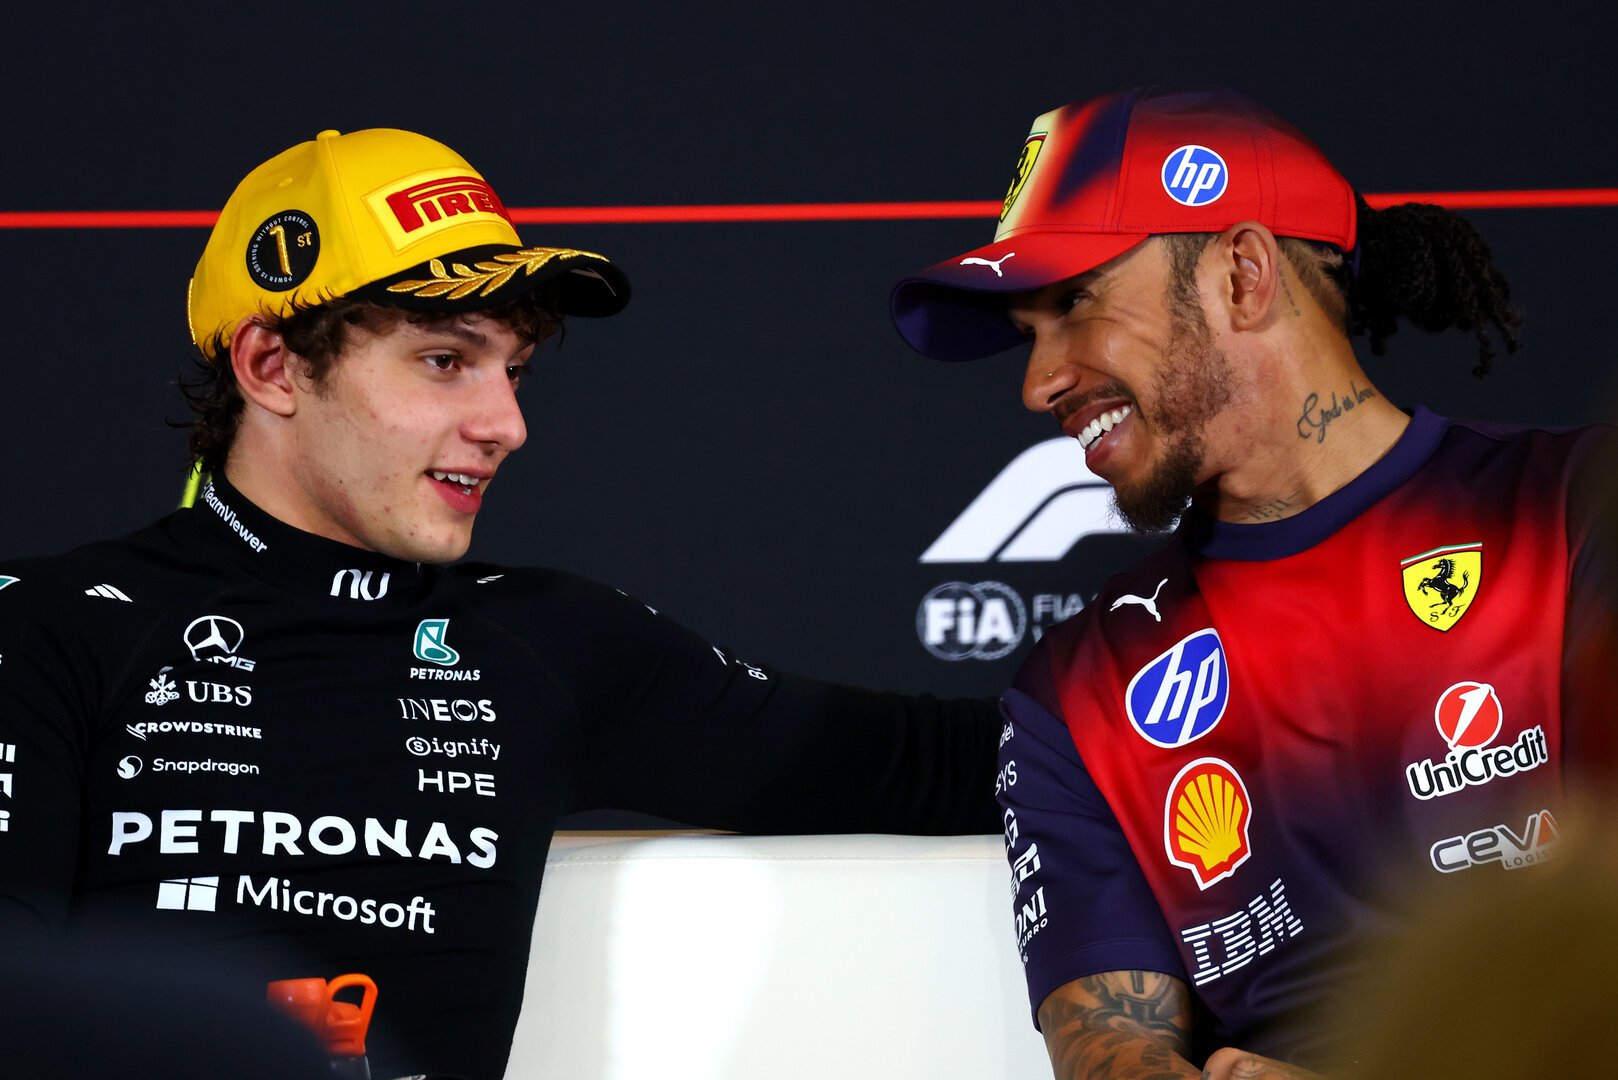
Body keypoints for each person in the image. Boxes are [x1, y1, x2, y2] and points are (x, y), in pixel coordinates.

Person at [0, 127, 1001, 1080]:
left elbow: (944, 765)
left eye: (514, 372)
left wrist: (1160, 644)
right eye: (445, 361)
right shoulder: (53, 626)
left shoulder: (551, 644)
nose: (506, 424)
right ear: (271, 366)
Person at [889, 86, 1616, 1079]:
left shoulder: (1573, 509)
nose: (1037, 382)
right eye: (1027, 334)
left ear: (1240, 275)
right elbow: (1110, 1048)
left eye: (1073, 305)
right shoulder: (1079, 687)